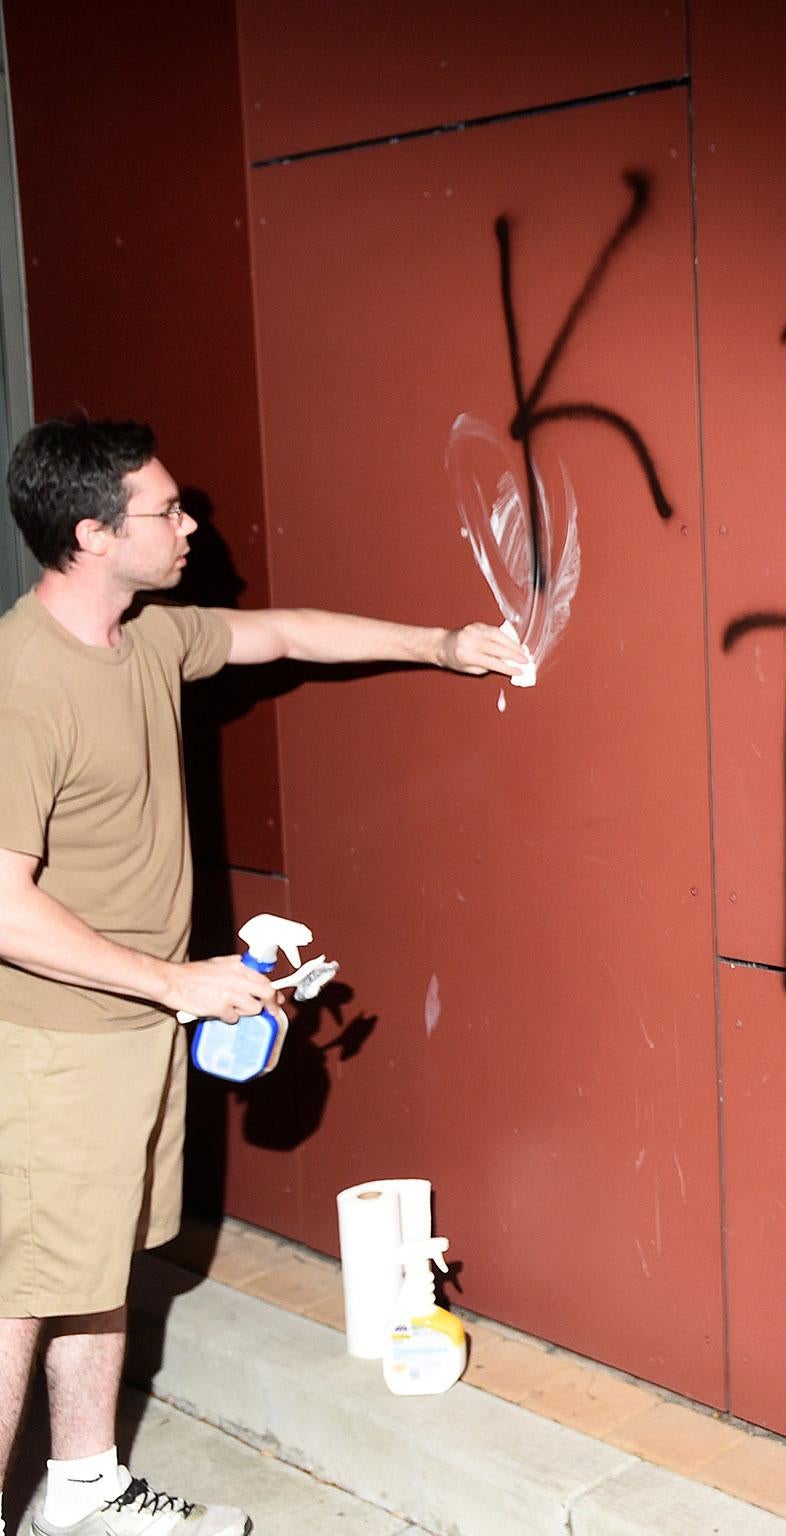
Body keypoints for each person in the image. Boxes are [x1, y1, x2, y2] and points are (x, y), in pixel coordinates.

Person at [0, 418, 525, 1536]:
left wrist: (440, 642)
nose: (192, 525)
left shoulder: (143, 640)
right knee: (19, 1295)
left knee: (100, 1270)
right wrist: (176, 983)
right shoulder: (20, 684)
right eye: (166, 511)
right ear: (92, 535)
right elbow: (1, 904)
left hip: (130, 1028)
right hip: (52, 1043)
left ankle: (84, 1488)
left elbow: (279, 633)